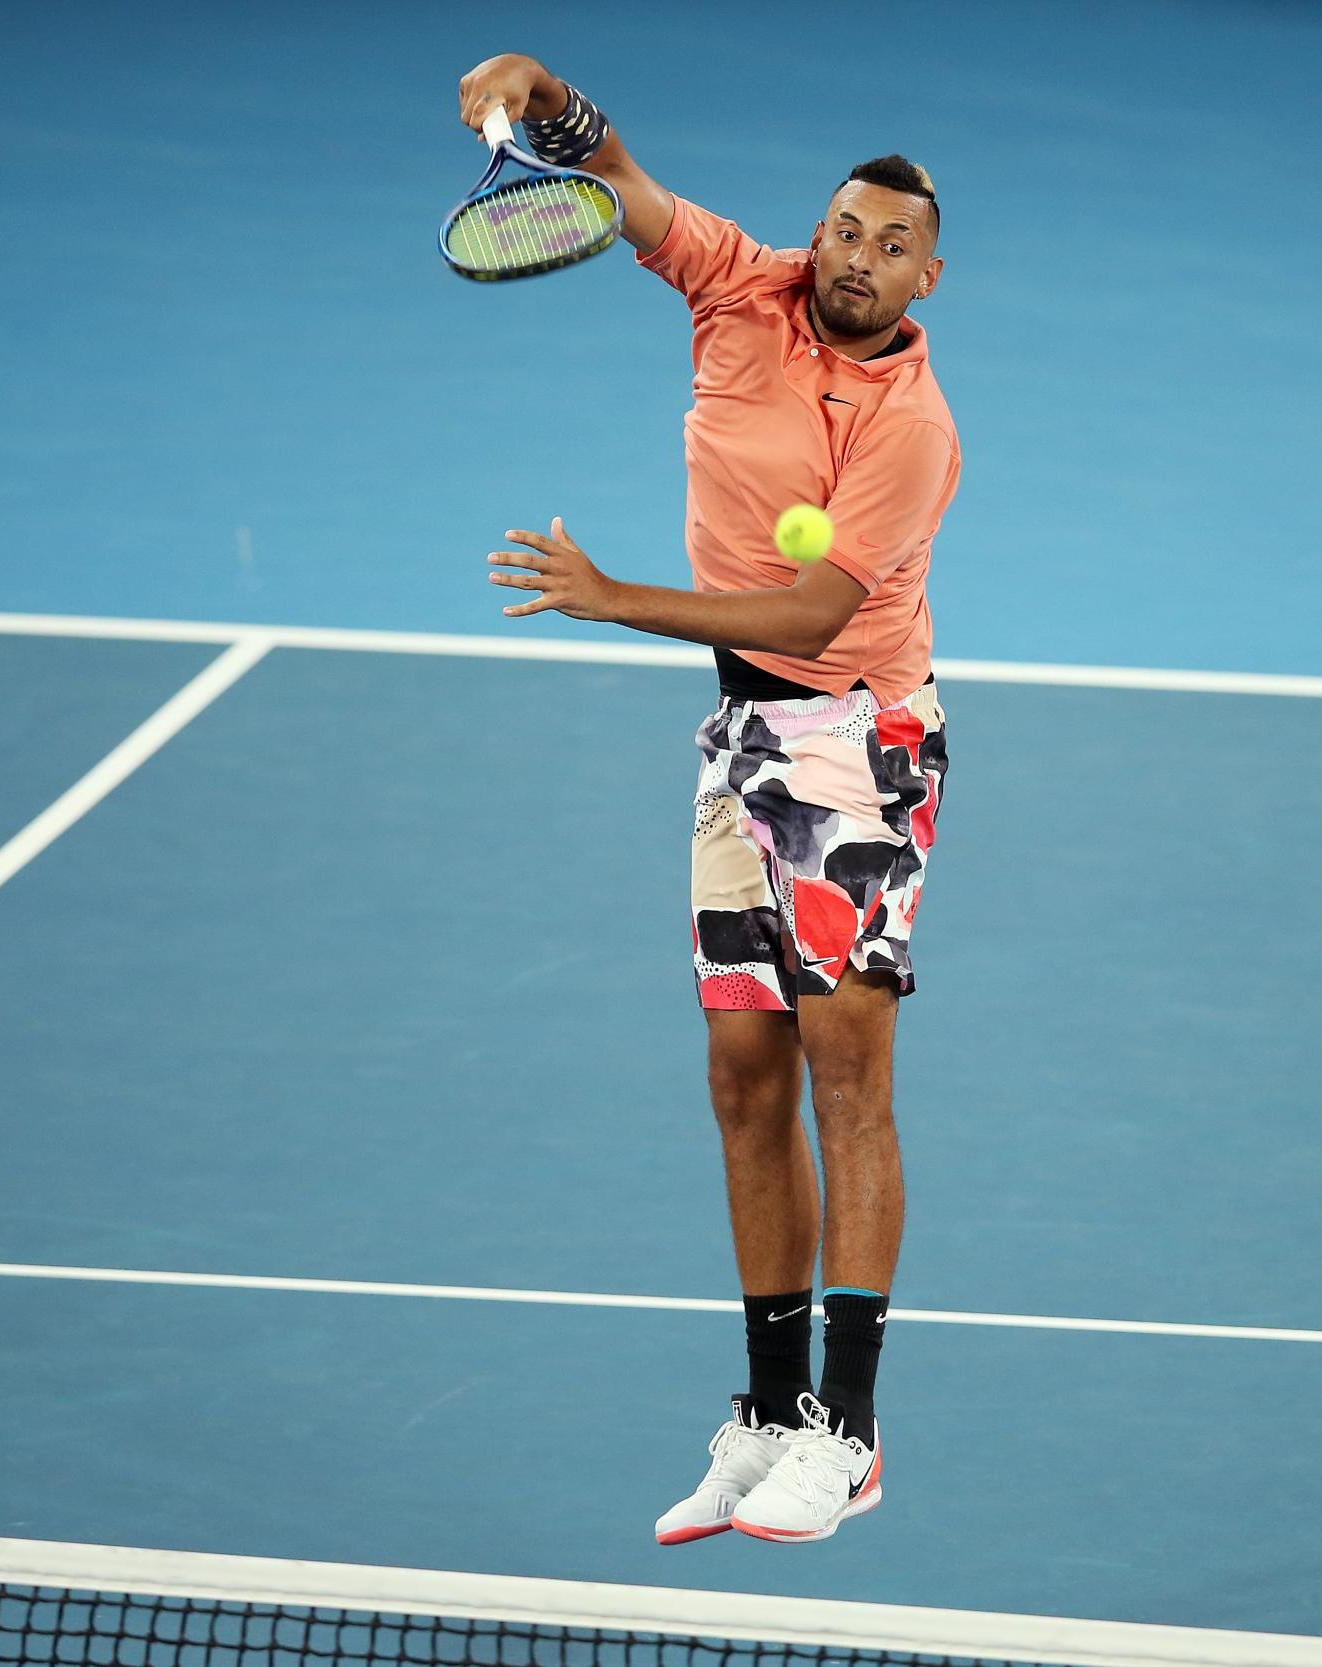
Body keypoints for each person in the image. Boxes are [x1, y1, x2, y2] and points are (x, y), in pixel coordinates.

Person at [457, 54, 959, 1546]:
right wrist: (550, 102)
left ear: (930, 272)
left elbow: (805, 617)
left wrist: (611, 599)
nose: (857, 259)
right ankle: (767, 1410)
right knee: (744, 1081)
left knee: (845, 1081)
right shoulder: (744, 285)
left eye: (889, 245)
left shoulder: (911, 427)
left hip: (855, 742)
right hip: (739, 740)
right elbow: (626, 190)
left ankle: (851, 1437)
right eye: (844, 231)